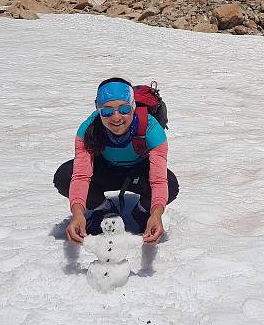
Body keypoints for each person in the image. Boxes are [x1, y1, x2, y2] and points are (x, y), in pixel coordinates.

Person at [54, 77, 179, 245]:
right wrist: (78, 214)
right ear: (98, 110)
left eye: (124, 109)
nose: (116, 117)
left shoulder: (151, 128)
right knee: (65, 176)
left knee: (170, 185)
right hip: (104, 170)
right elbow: (81, 176)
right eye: (107, 111)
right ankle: (102, 208)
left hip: (138, 173)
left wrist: (156, 214)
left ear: (133, 107)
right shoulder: (88, 129)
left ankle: (143, 211)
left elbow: (158, 180)